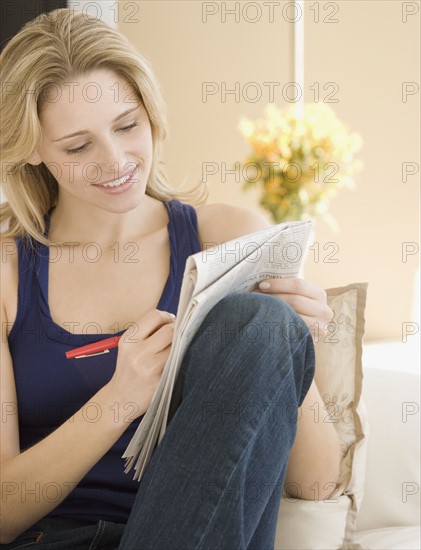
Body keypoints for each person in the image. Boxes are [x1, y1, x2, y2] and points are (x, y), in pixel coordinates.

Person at [0, 8, 341, 550]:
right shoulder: (8, 275)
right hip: (53, 540)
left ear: (151, 114)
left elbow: (317, 482)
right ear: (34, 150)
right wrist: (121, 398)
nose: (116, 160)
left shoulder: (227, 237)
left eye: (127, 125)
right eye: (78, 146)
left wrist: (288, 349)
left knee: (261, 320)